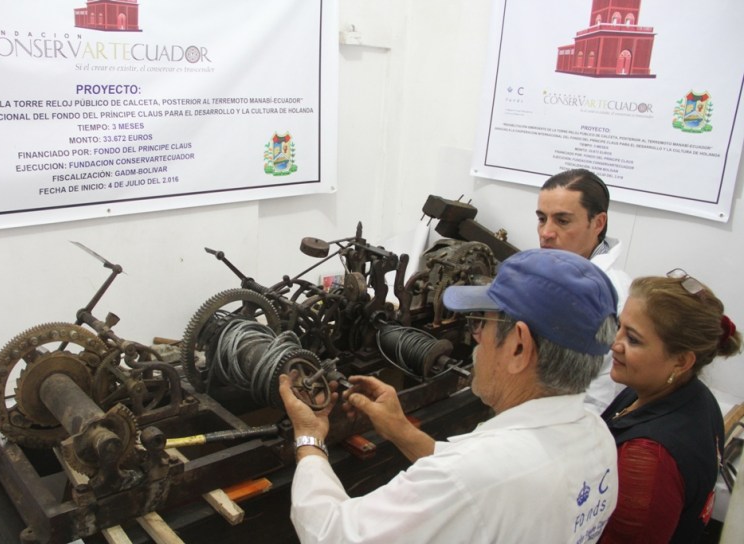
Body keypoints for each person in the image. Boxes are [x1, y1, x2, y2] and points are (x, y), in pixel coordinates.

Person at [279, 248, 620, 543]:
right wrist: (400, 429)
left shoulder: (476, 476)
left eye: (479, 324)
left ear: (519, 346)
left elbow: (333, 535)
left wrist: (309, 438)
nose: (474, 339)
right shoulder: (598, 437)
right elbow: (474, 492)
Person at [599, 270, 741, 543]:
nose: (614, 343)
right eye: (619, 327)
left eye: (633, 339)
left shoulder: (648, 457)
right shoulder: (691, 395)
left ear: (681, 361)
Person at [536, 168, 632, 413]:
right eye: (541, 218)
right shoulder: (554, 271)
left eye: (562, 220)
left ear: (598, 223)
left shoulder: (611, 296)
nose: (546, 233)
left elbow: (600, 398)